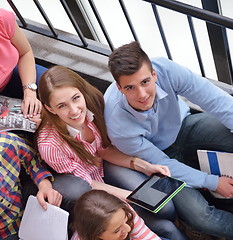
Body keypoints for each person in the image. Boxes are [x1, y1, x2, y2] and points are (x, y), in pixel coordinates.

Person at [104, 41, 233, 239]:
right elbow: (162, 163)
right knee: (200, 216)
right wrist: (213, 182)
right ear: (119, 88)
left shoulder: (166, 69)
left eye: (145, 82)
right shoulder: (117, 125)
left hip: (185, 127)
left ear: (154, 74)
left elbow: (217, 101)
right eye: (130, 87)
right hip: (159, 162)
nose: (142, 94)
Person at [36, 66, 188, 240]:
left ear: (82, 92)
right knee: (164, 226)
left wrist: (143, 166)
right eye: (62, 106)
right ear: (50, 108)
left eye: (76, 98)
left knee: (165, 205)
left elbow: (103, 150)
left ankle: (181, 225)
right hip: (91, 191)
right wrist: (131, 198)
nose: (74, 110)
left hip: (105, 166)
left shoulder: (94, 106)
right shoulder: (49, 145)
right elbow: (87, 184)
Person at [71, 190, 161, 240]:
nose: (128, 228)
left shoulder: (120, 208)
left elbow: (145, 235)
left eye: (125, 219)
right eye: (117, 230)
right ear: (95, 235)